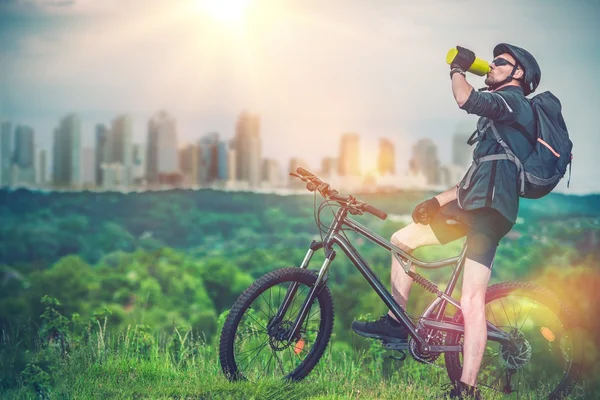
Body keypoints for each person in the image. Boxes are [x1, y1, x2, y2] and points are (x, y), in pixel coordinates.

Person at [351, 43, 541, 399]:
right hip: (470, 204)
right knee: (401, 240)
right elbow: (476, 174)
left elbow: (465, 99)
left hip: (491, 212)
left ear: (518, 74)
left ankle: (466, 389)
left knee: (471, 300)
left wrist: (458, 68)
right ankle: (396, 324)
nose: (493, 65)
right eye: (494, 61)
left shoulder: (515, 103)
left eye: (501, 62)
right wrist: (436, 201)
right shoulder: (496, 120)